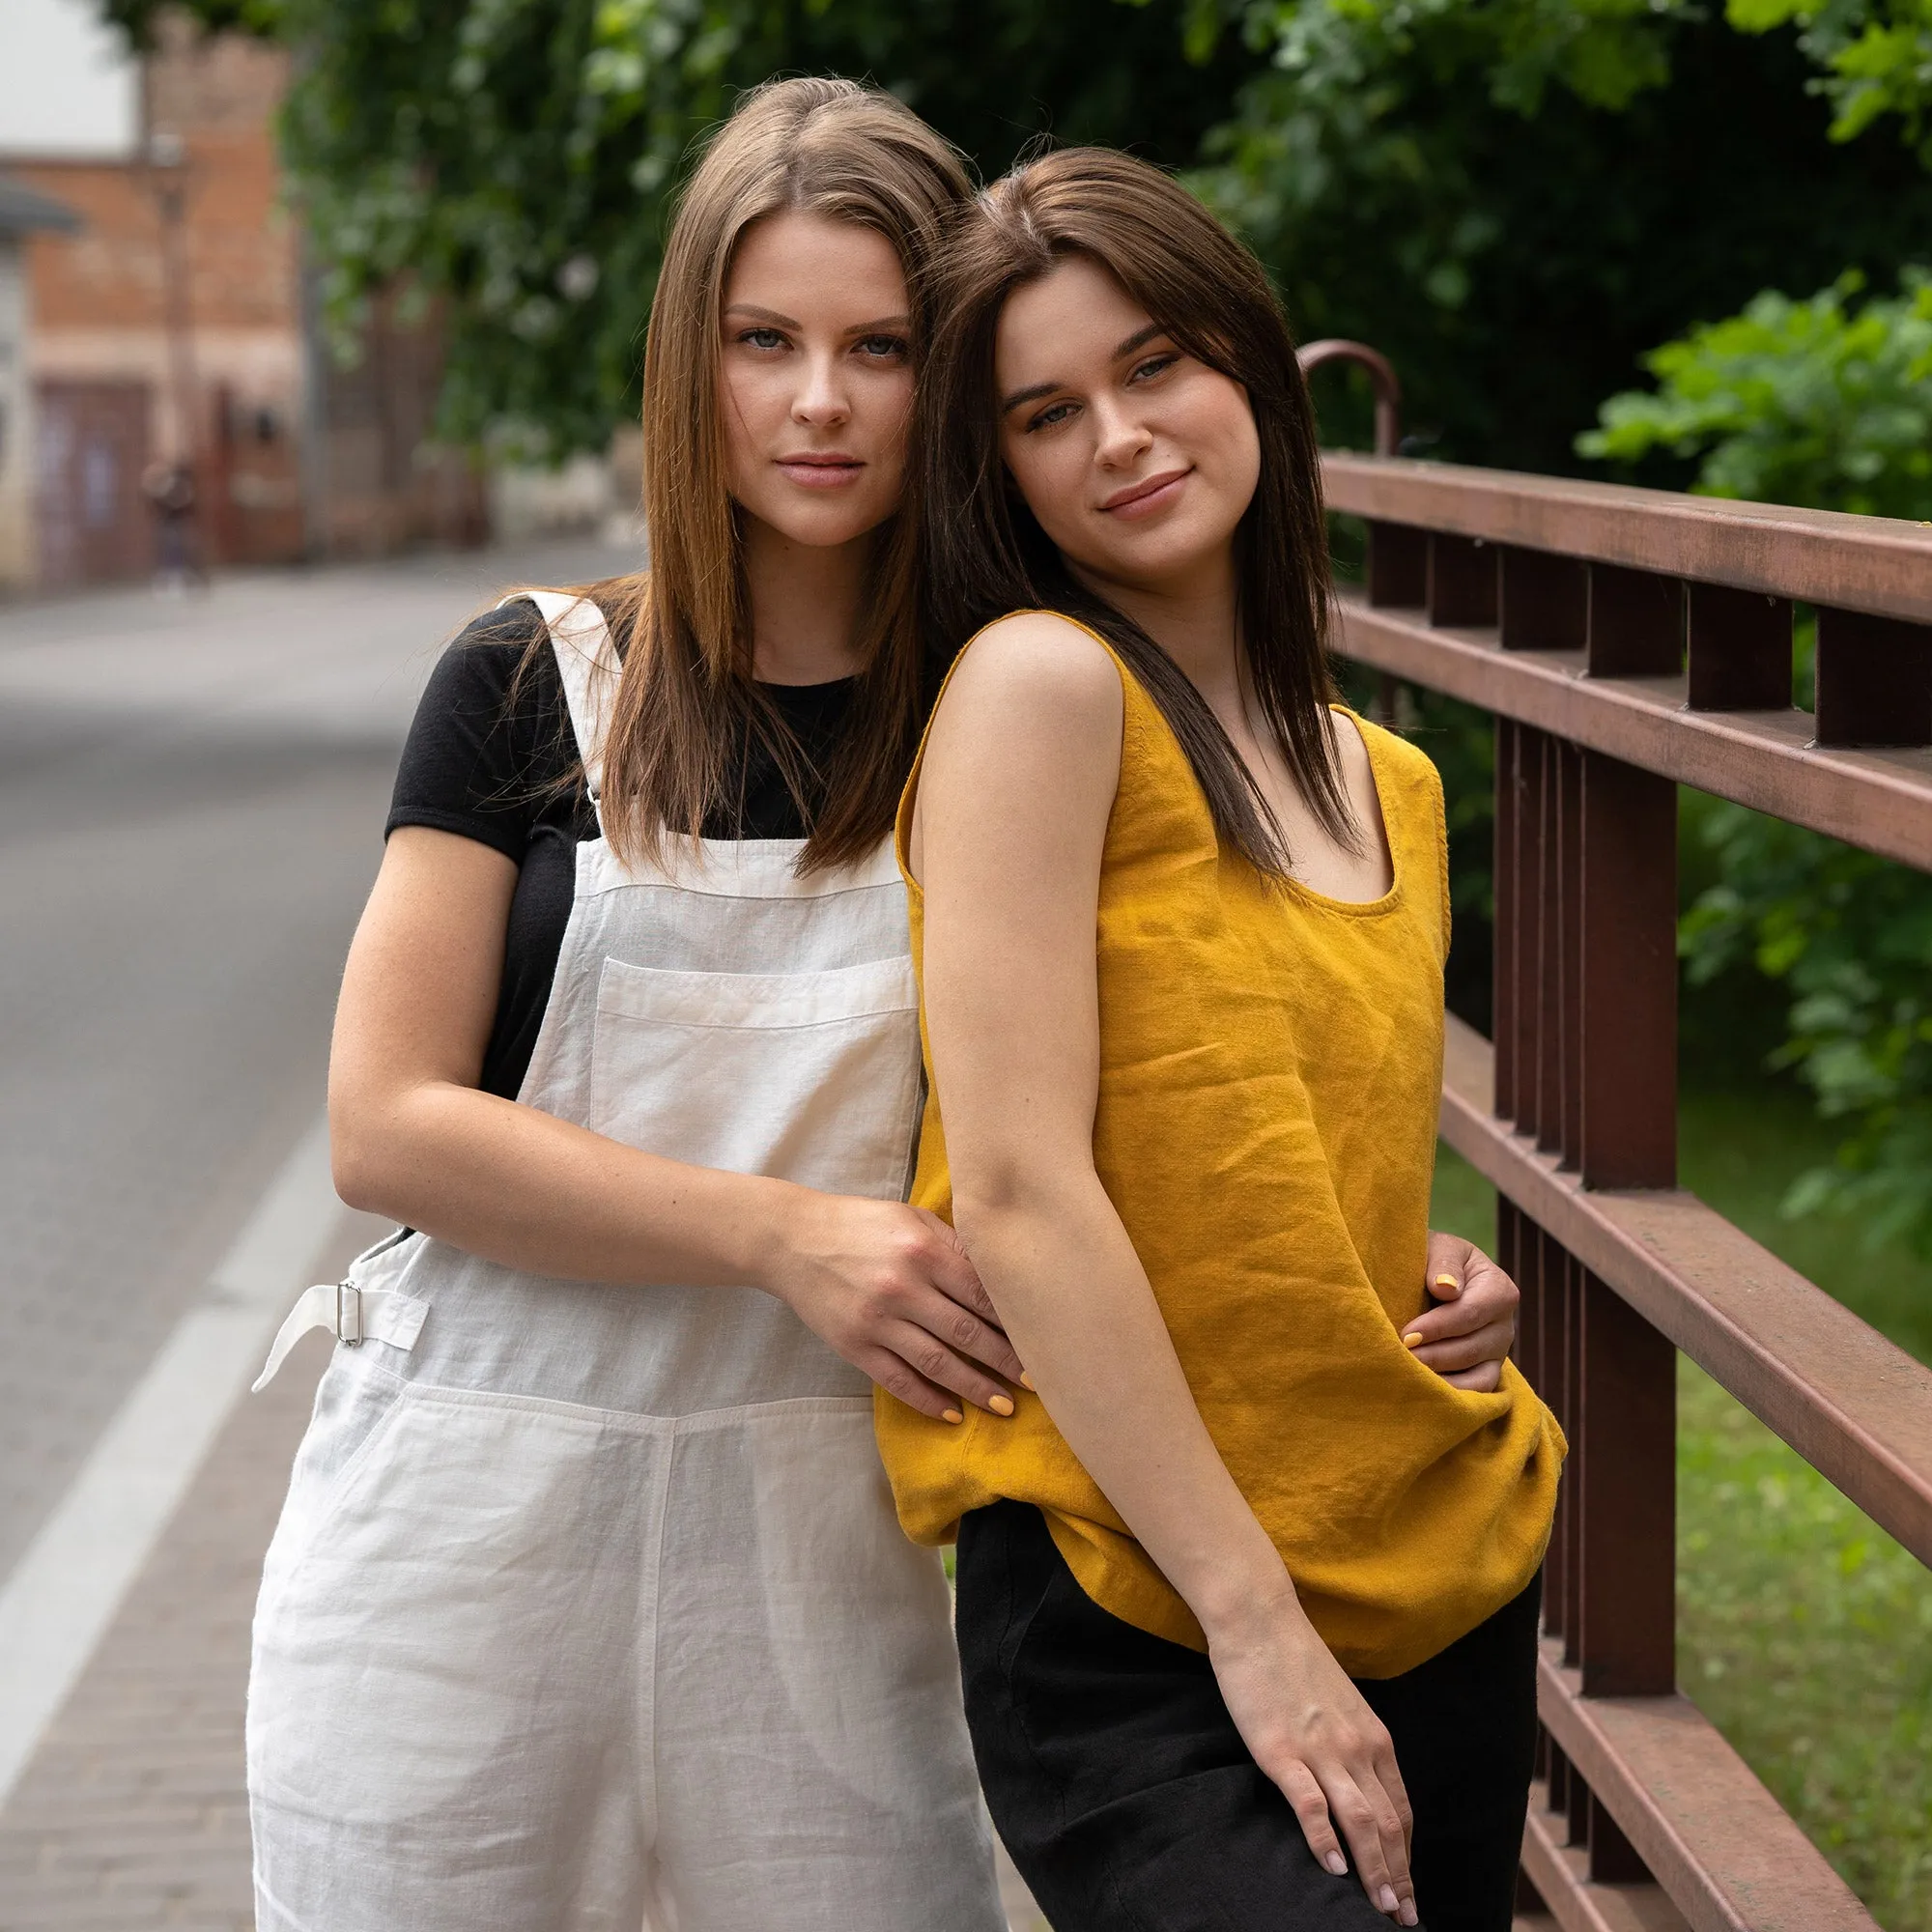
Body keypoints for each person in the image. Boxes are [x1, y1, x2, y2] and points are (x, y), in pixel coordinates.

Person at [245, 79, 1016, 1932]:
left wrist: (1372, 1278)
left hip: (844, 1560)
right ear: (695, 362)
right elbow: (388, 1125)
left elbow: (1145, 1099)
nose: (818, 400)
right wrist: (788, 1240)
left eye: (880, 346)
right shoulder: (530, 681)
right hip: (460, 1545)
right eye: (766, 340)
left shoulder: (1014, 722)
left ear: (953, 376)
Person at [876, 147, 1565, 1932]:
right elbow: (1022, 1196)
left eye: (1157, 362)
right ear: (1001, 470)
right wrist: (1255, 1635)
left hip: (1425, 1556)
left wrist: (1426, 1276)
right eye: (1046, 411)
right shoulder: (1042, 692)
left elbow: (1276, 1157)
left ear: (1253, 366)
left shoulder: (1389, 780)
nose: (1118, 434)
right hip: (1144, 1600)